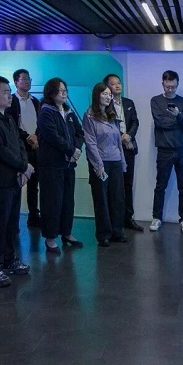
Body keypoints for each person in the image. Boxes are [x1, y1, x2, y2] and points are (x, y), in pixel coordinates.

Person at [0, 76, 34, 286]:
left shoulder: (8, 118)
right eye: (5, 92)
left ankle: (9, 259)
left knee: (11, 224)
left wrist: (24, 166)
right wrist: (22, 166)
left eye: (9, 92)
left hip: (13, 180)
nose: (9, 96)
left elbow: (19, 143)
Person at [37, 78, 84, 254]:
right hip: (52, 165)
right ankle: (50, 238)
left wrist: (76, 149)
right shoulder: (46, 112)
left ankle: (67, 232)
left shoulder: (68, 112)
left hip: (68, 164)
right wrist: (71, 150)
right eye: (60, 90)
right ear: (51, 93)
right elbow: (53, 136)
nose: (64, 93)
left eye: (65, 90)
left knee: (67, 201)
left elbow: (79, 133)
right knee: (52, 202)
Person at [83, 83, 128, 247]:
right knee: (101, 199)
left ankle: (117, 232)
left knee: (117, 198)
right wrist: (98, 165)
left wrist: (123, 162)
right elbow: (90, 143)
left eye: (110, 94)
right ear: (97, 95)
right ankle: (104, 234)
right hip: (100, 163)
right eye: (105, 94)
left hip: (115, 161)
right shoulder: (89, 116)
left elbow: (118, 142)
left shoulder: (112, 115)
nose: (108, 97)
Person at [150, 70, 183, 234]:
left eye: (173, 87)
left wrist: (178, 115)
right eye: (167, 86)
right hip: (164, 150)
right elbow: (159, 122)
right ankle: (157, 217)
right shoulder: (156, 101)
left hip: (182, 149)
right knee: (160, 186)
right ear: (162, 84)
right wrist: (178, 120)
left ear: (177, 85)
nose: (170, 90)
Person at [104, 73, 142, 231]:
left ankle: (128, 218)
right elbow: (108, 126)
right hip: (114, 150)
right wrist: (123, 138)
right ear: (107, 87)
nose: (117, 85)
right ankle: (116, 220)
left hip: (129, 148)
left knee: (128, 184)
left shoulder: (128, 102)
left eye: (118, 83)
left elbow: (135, 121)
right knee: (115, 186)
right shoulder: (106, 105)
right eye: (113, 84)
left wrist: (129, 136)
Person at [6, 69, 41, 228]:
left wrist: (36, 137)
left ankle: (34, 216)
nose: (27, 82)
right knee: (17, 183)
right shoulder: (12, 101)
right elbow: (12, 124)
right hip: (20, 147)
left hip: (36, 146)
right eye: (24, 79)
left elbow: (40, 122)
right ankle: (13, 220)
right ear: (16, 82)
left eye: (29, 79)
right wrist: (27, 137)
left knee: (34, 185)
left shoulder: (35, 101)